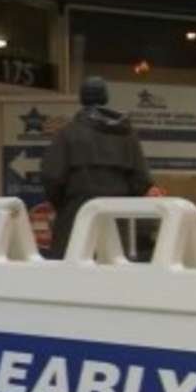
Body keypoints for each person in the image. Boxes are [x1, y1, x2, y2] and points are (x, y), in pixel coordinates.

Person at [42, 76, 154, 259]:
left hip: (75, 213)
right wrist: (125, 201)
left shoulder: (67, 134)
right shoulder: (127, 135)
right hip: (117, 215)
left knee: (73, 270)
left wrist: (62, 204)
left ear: (82, 98)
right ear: (105, 97)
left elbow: (52, 176)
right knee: (112, 268)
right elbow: (142, 180)